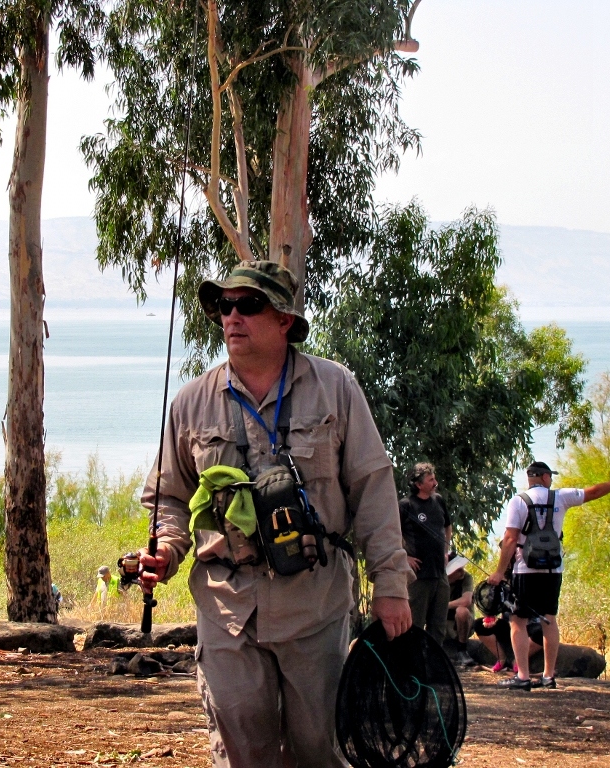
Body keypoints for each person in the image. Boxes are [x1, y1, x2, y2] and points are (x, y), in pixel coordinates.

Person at [137, 260, 413, 768]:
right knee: (244, 754)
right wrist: (168, 551)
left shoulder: (335, 388)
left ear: (285, 319)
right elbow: (169, 498)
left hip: (316, 605)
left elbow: (373, 488)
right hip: (227, 610)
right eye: (225, 306)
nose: (232, 317)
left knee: (319, 749)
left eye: (249, 304)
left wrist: (391, 586)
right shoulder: (192, 403)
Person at [488, 460, 610, 690]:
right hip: (552, 569)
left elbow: (509, 539)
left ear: (530, 479)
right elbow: (595, 492)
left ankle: (524, 676)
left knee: (519, 620)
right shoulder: (561, 497)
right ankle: (548, 676)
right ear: (545, 477)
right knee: (549, 618)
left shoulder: (518, 502)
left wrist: (500, 571)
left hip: (524, 569)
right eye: (550, 477)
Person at [399, 463, 452, 645]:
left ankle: (433, 667)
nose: (435, 482)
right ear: (419, 484)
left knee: (438, 626)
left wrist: (446, 551)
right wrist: (404, 556)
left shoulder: (438, 501)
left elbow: (448, 526)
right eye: (431, 480)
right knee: (415, 624)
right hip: (418, 576)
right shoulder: (406, 505)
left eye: (434, 478)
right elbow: (391, 533)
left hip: (440, 573)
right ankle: (412, 666)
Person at [474, 613, 543, 673]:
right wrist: (491, 616)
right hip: (509, 625)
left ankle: (519, 660)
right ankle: (502, 659)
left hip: (531, 626)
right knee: (479, 624)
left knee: (543, 632)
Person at [442, 554, 476, 667]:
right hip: (443, 624)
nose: (461, 571)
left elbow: (466, 601)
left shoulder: (466, 578)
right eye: (457, 569)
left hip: (461, 624)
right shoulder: (440, 581)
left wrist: (443, 605)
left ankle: (462, 650)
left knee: (462, 611)